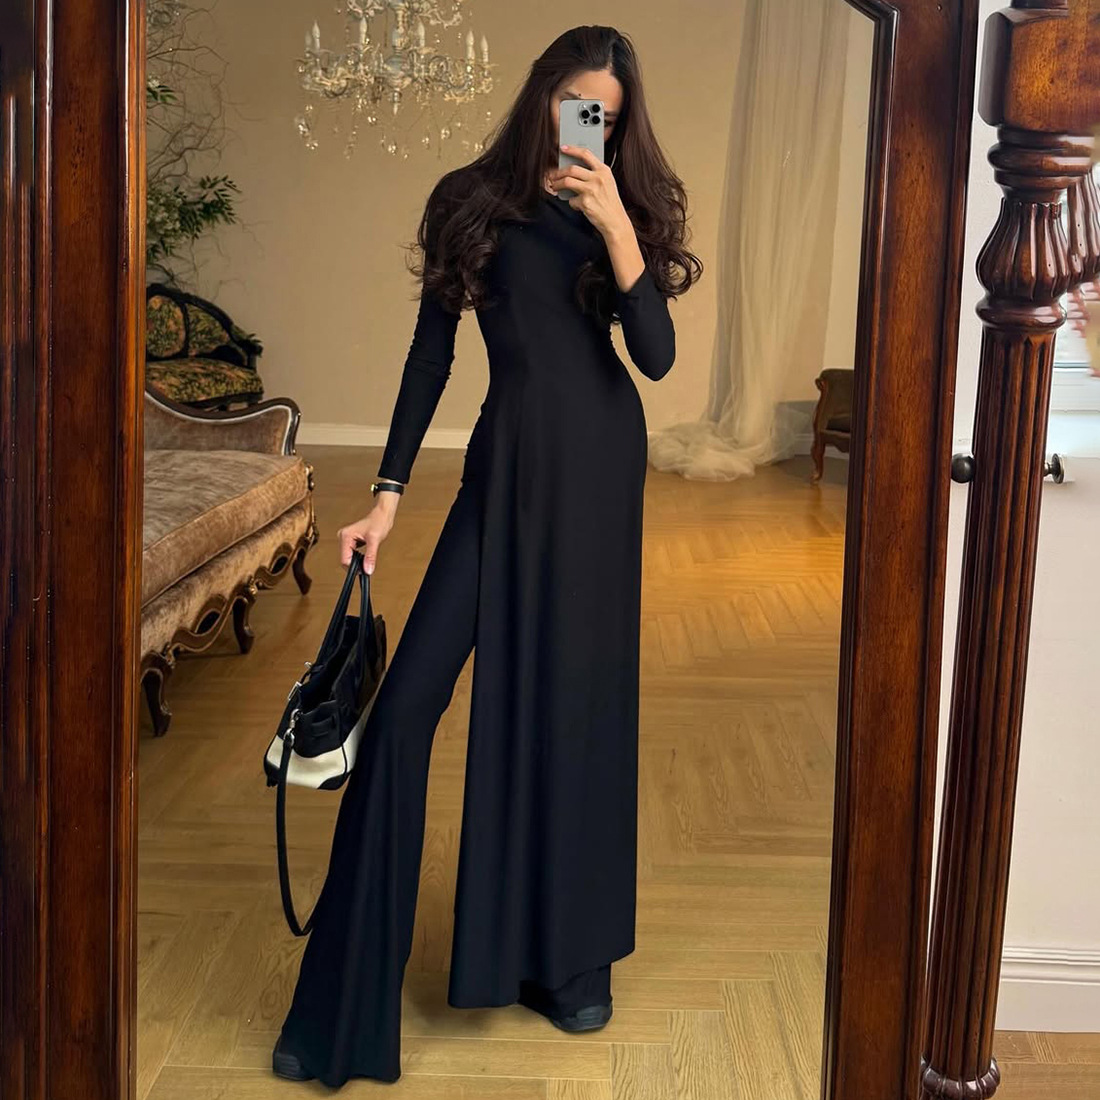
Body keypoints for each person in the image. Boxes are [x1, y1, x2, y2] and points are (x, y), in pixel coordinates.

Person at [272, 24, 701, 1088]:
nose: (587, 125)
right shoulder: (468, 199)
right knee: (401, 713)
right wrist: (384, 496)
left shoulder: (622, 206)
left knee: (575, 708)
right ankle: (341, 1010)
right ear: (542, 94)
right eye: (575, 102)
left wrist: (616, 227)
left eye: (605, 114)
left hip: (597, 477)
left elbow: (653, 357)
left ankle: (568, 964)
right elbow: (431, 353)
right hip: (502, 470)